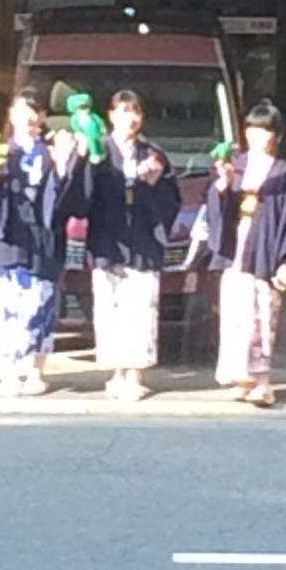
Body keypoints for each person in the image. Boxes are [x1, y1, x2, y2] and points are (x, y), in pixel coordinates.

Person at [0, 89, 89, 398]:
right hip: (12, 240)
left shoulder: (53, 152)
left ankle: (37, 371)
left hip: (45, 241)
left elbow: (70, 200)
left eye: (36, 111)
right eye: (23, 110)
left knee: (42, 308)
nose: (30, 117)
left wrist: (63, 167)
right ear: (12, 115)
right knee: (9, 309)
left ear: (44, 117)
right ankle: (10, 372)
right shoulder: (1, 151)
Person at [206, 99, 286, 408]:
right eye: (252, 129)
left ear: (276, 135)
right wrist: (222, 186)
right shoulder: (235, 165)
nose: (257, 136)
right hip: (237, 243)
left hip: (266, 246)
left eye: (264, 130)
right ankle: (241, 378)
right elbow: (217, 208)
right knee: (236, 315)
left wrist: (285, 259)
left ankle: (262, 381)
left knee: (263, 314)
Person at [86, 89, 181, 400]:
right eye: (125, 111)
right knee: (110, 307)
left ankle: (136, 374)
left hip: (142, 241)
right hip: (108, 240)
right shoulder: (98, 150)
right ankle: (116, 372)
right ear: (111, 115)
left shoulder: (153, 153)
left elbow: (172, 199)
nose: (132, 118)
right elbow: (83, 194)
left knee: (140, 308)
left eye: (136, 111)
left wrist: (154, 184)